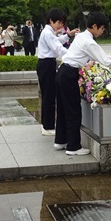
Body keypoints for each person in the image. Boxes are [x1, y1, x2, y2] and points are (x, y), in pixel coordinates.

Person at [54, 12, 111, 155]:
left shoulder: (80, 36)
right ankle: (73, 147)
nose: (103, 31)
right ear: (94, 26)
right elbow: (105, 61)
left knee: (63, 108)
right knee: (74, 110)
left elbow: (98, 57)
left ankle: (61, 141)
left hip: (63, 71)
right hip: (69, 75)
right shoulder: (89, 42)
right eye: (102, 28)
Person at [37, 8, 79, 136]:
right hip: (47, 64)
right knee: (49, 96)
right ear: (51, 20)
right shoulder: (48, 33)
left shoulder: (49, 32)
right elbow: (58, 48)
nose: (61, 26)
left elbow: (57, 42)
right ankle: (47, 126)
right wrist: (75, 55)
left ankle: (46, 124)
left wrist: (68, 35)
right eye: (59, 23)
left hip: (47, 64)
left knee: (49, 95)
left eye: (62, 23)